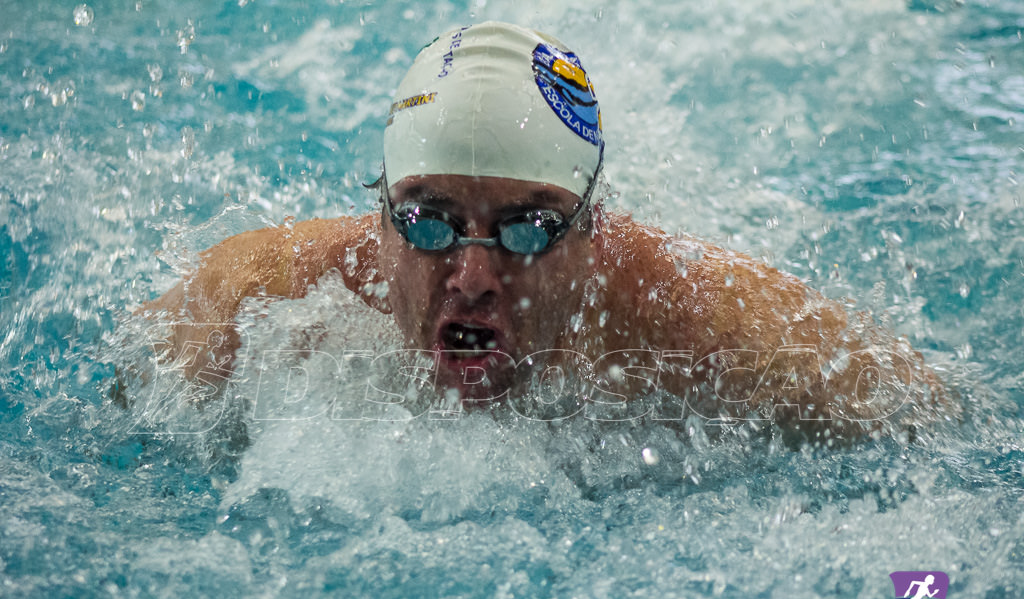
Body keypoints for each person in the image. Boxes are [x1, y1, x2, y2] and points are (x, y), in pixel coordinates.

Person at [137, 21, 952, 442]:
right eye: (429, 222)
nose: (471, 274)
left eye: (526, 228)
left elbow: (929, 418)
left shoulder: (702, 327)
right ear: (379, 218)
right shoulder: (255, 299)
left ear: (594, 229)